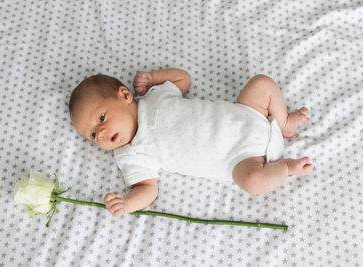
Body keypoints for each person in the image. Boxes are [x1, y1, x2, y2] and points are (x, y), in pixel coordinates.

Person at [69, 68, 313, 217]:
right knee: (253, 182)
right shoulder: (131, 153)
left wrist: (154, 77)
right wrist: (127, 203)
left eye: (101, 118)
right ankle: (286, 167)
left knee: (262, 83)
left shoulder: (154, 97)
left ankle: (283, 125)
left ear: (124, 95)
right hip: (242, 159)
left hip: (248, 113)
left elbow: (182, 79)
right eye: (92, 135)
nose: (100, 134)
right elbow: (147, 189)